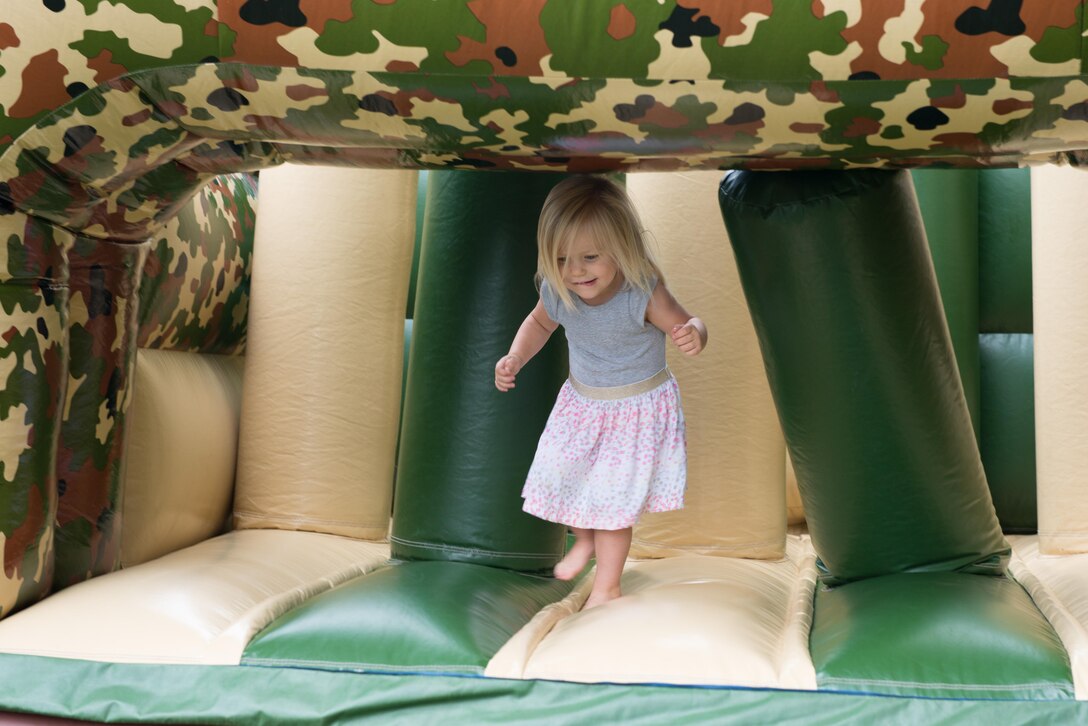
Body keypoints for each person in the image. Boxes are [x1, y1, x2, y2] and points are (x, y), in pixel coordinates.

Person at [495, 175, 707, 610]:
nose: (575, 271)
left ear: (622, 248)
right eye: (562, 258)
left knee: (611, 504)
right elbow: (538, 324)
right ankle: (583, 543)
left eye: (590, 257)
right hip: (583, 404)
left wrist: (694, 335)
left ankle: (607, 586)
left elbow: (689, 321)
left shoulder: (641, 293)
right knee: (566, 476)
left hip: (634, 410)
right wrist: (516, 357)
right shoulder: (558, 290)